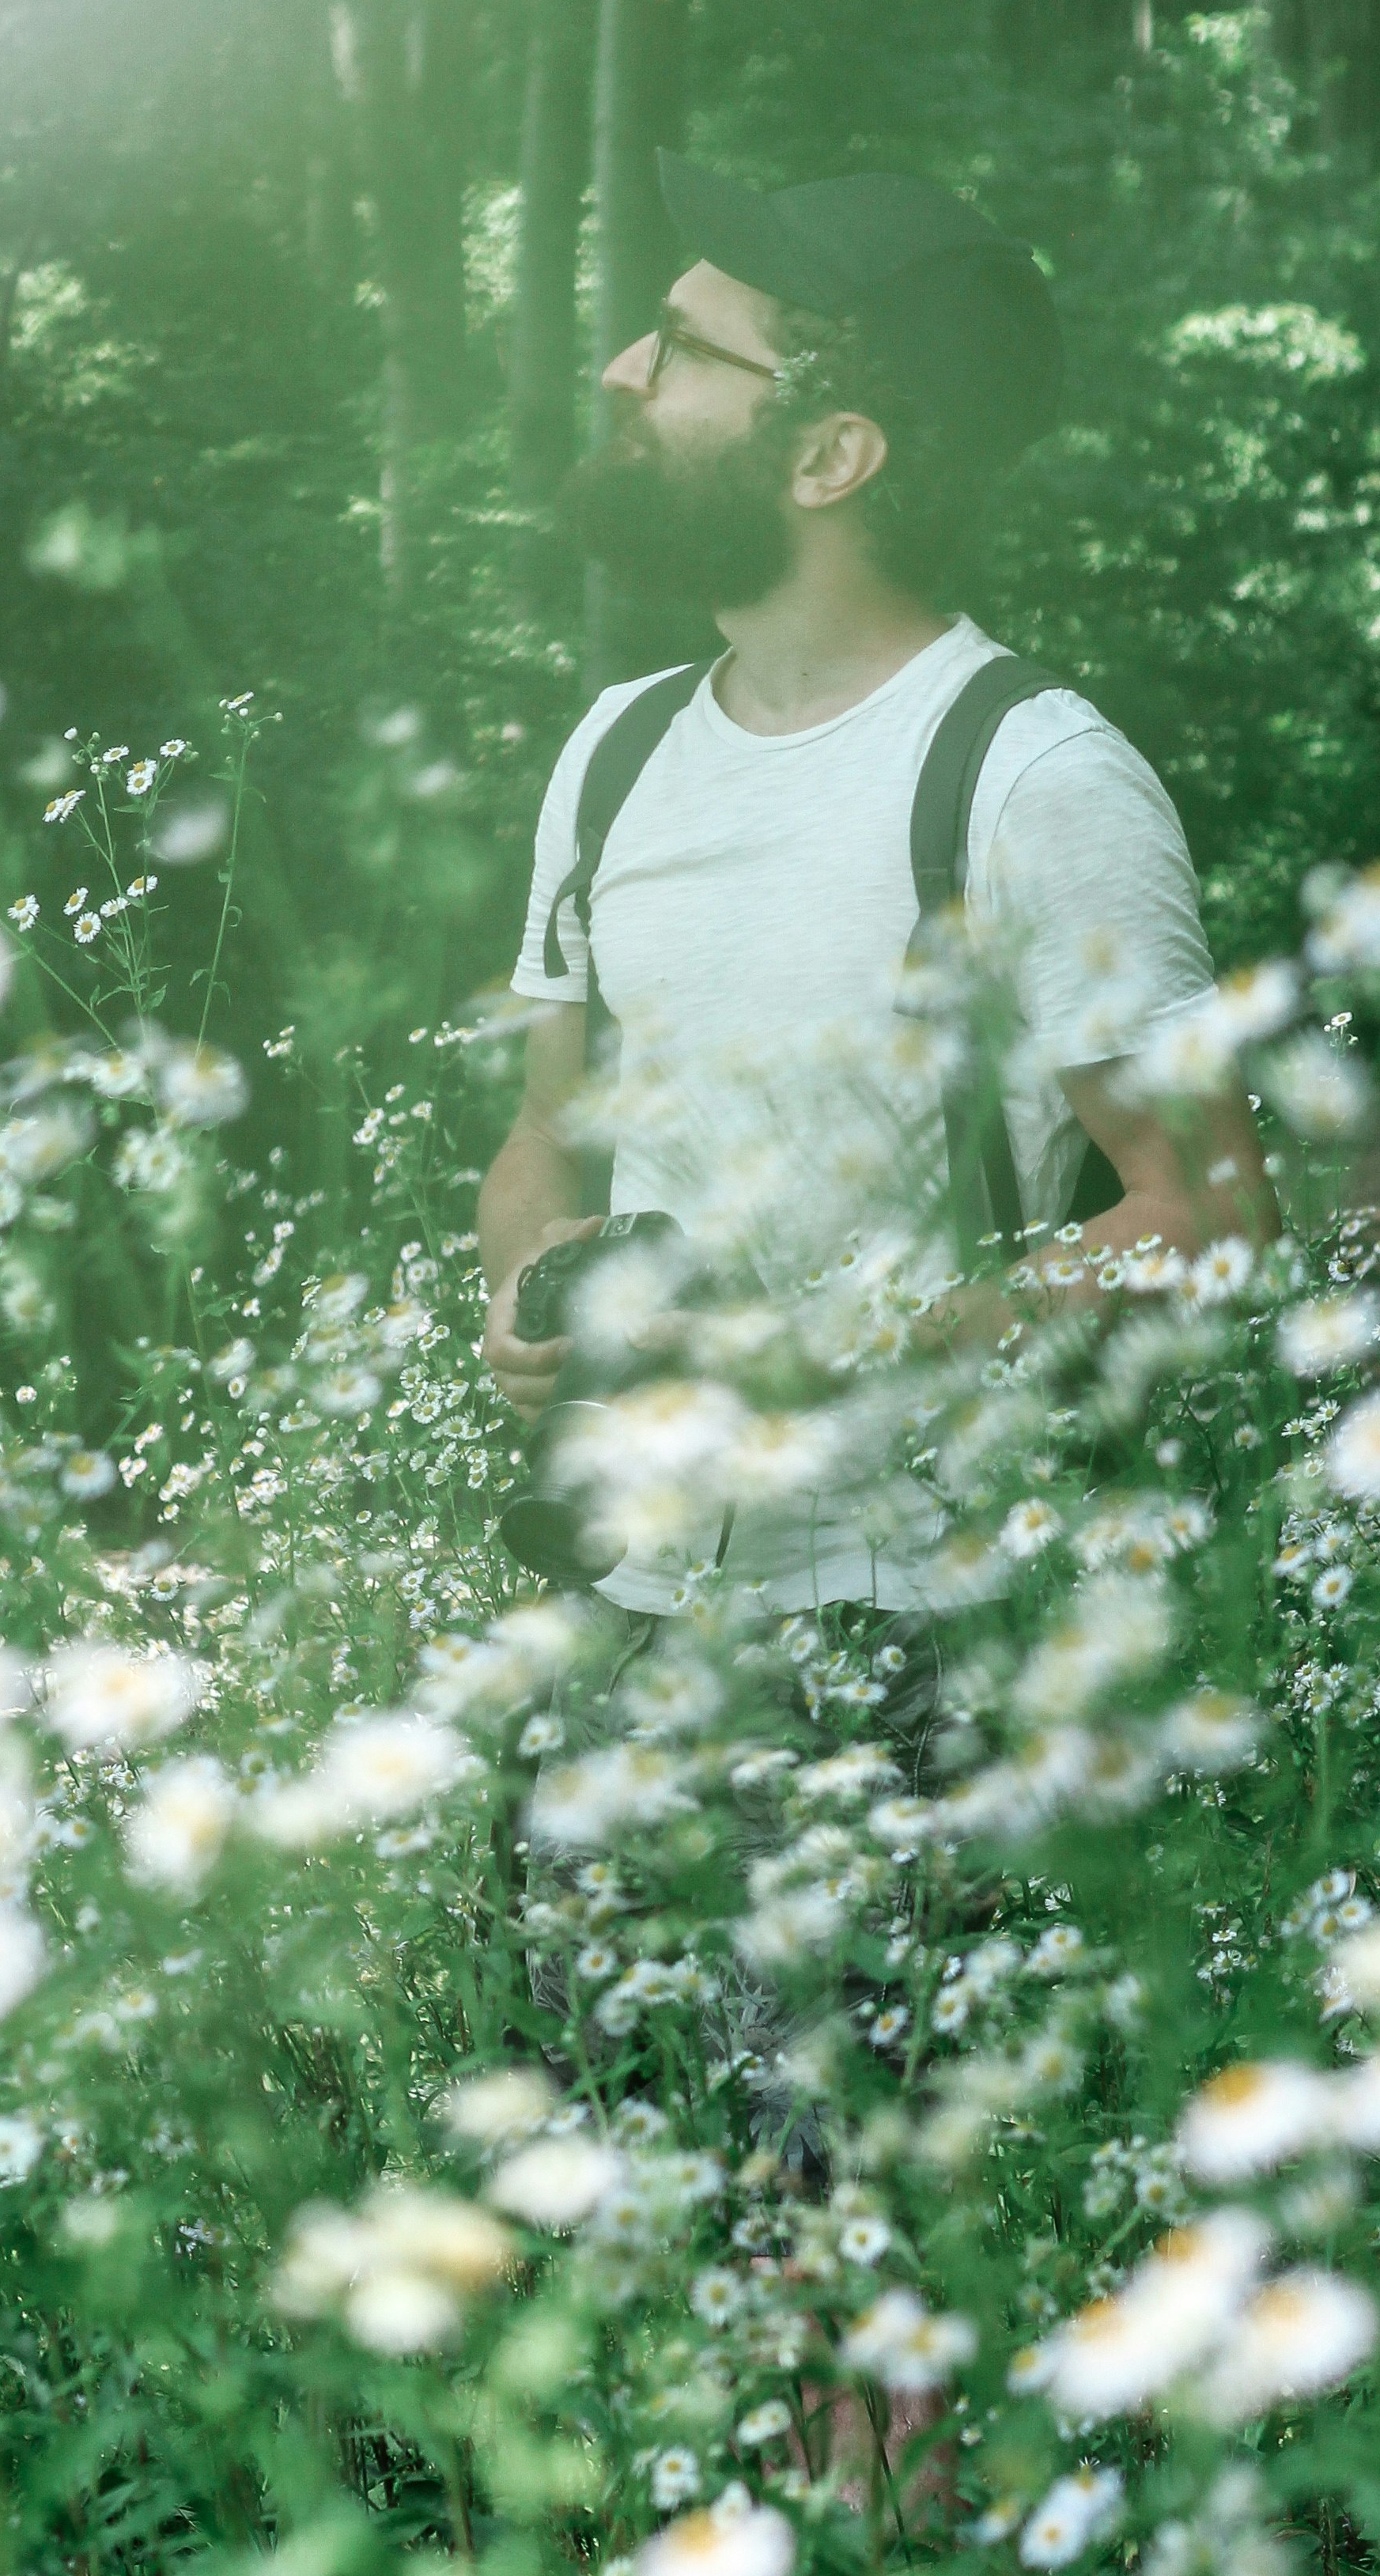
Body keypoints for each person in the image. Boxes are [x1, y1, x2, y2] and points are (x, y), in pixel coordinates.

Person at [477, 149, 1274, 1618]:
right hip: (614, 1603)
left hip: (919, 1619)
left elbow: (1212, 1214)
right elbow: (546, 1125)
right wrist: (525, 1284)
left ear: (831, 458)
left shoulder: (1033, 780)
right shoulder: (615, 750)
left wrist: (840, 1348)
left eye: (686, 350)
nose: (619, 370)